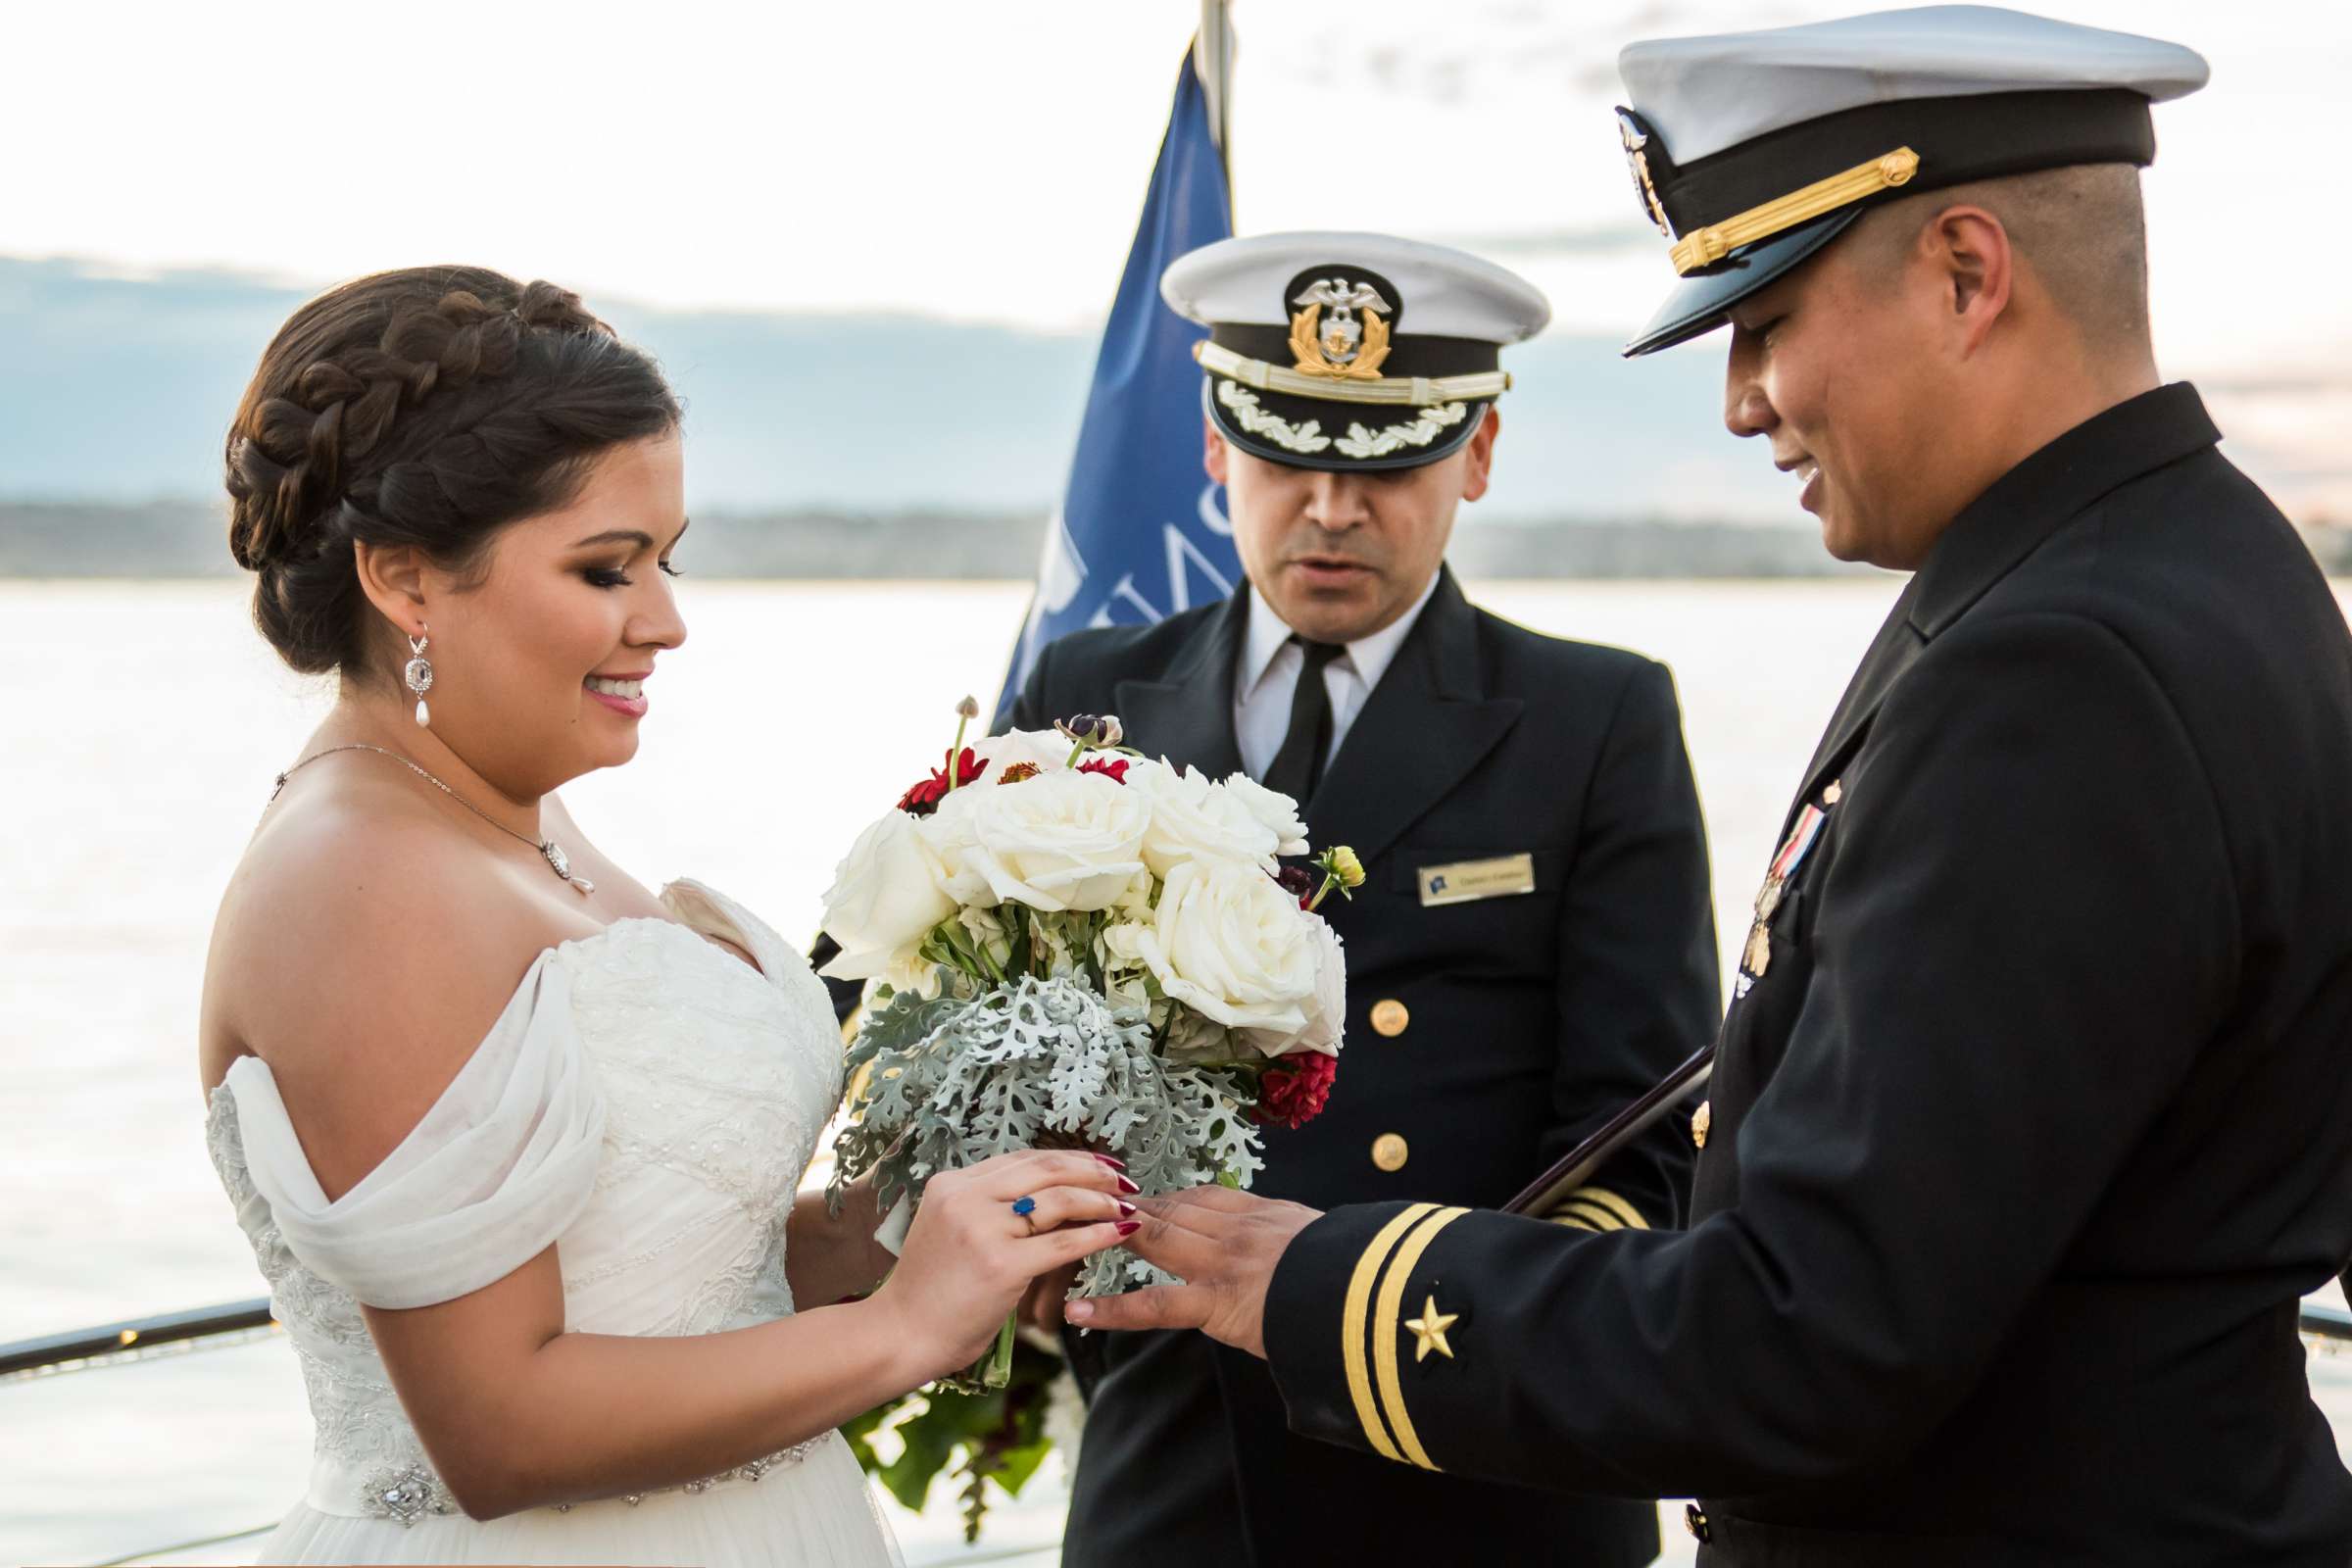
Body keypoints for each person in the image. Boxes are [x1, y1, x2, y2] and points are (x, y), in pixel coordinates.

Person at [1069, 10, 2352, 1566]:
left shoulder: (2063, 667)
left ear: (1967, 271)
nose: (1744, 401)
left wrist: (1314, 1282)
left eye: (1768, 321)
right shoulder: (2183, 571)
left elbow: (1813, 1330)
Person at [197, 266, 1132, 1564]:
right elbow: (497, 1430)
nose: (666, 621)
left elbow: (686, 1282)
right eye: (605, 570)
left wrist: (905, 1216)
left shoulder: (507, 815)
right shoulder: (358, 883)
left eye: (666, 561)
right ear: (406, 580)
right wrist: (909, 1326)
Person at [1008, 232, 1722, 1566]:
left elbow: (1643, 1134)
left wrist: (1443, 1324)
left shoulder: (1593, 719)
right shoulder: (1090, 690)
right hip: (1177, 1452)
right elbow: (991, 1020)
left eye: (1388, 463)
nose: (1332, 507)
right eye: (1286, 453)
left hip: (1479, 1454)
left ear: (1479, 457)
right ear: (1216, 448)